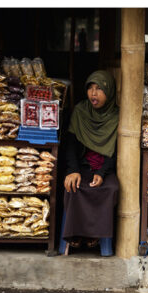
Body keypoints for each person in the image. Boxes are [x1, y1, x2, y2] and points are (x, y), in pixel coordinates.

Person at [55, 70, 120, 256]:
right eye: (90, 88)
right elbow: (70, 145)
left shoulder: (117, 116)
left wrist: (102, 173)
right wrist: (73, 170)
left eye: (99, 89)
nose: (93, 93)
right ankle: (74, 235)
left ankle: (98, 237)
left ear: (109, 91)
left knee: (111, 189)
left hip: (105, 169)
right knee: (73, 187)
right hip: (82, 167)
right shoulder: (80, 111)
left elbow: (116, 152)